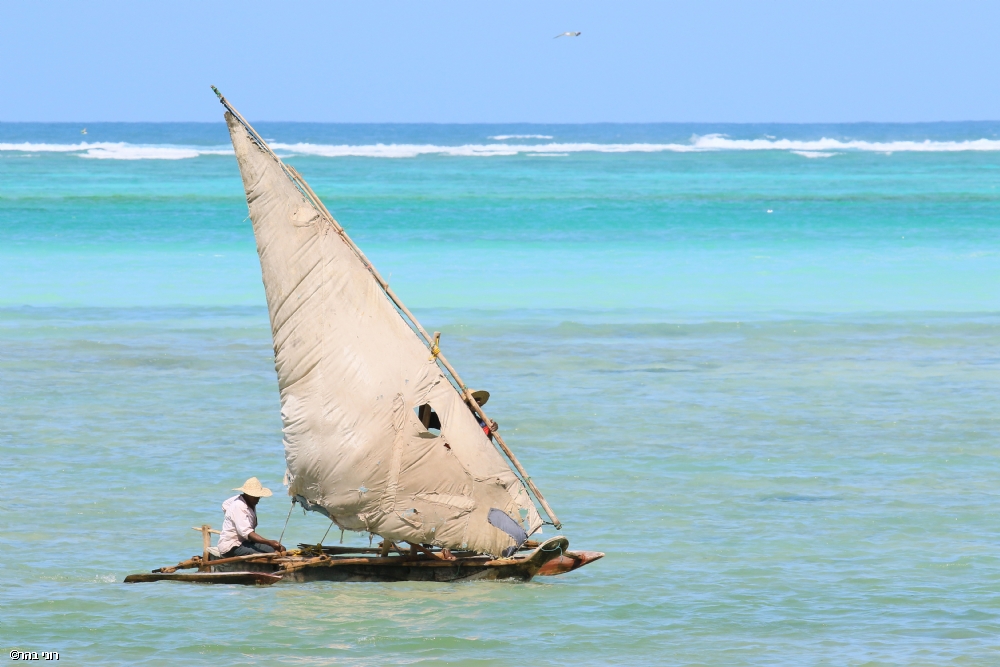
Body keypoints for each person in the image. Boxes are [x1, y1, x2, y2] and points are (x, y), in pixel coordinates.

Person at [216, 477, 285, 558]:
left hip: (245, 542)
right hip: (232, 546)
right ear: (247, 494)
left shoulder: (249, 502)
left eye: (258, 496)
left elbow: (225, 505)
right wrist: (269, 542)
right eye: (255, 496)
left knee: (278, 549)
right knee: (266, 556)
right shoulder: (239, 505)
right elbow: (247, 533)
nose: (258, 498)